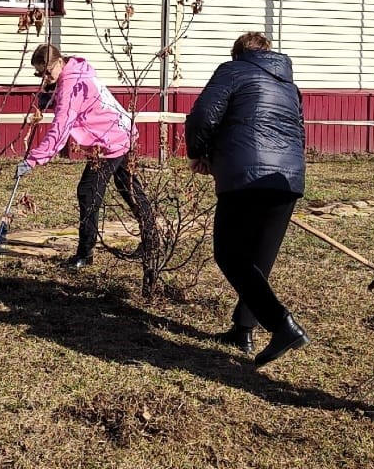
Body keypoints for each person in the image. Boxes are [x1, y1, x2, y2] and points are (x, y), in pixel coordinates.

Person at [184, 32, 309, 367]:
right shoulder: (289, 84)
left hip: (246, 175)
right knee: (258, 260)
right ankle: (243, 330)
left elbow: (203, 116)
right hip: (288, 177)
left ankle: (282, 326)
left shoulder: (233, 70)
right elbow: (299, 130)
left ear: (237, 53)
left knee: (230, 255)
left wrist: (198, 152)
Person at [16, 43, 158, 270]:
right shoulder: (77, 71)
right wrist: (49, 99)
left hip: (110, 141)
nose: (44, 77)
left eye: (47, 72)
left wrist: (34, 159)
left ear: (60, 62)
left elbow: (61, 128)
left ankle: (85, 253)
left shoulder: (71, 85)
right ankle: (153, 242)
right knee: (129, 188)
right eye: (39, 73)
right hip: (122, 131)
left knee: (88, 191)